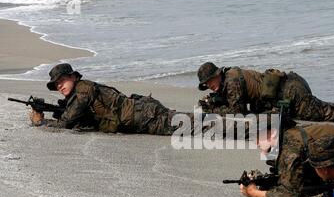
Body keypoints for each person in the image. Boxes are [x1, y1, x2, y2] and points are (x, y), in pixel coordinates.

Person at [30, 63, 211, 136]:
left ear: (74, 77)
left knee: (201, 126)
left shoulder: (82, 91)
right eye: (56, 85)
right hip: (144, 112)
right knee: (196, 124)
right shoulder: (80, 91)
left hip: (146, 118)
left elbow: (66, 124)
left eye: (62, 81)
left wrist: (41, 122)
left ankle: (238, 128)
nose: (60, 86)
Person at [196, 62, 334, 122]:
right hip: (290, 87)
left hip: (291, 93)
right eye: (206, 85)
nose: (210, 86)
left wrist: (213, 108)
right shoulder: (230, 75)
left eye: (211, 81)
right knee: (330, 108)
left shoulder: (232, 82)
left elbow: (237, 112)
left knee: (331, 114)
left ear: (218, 74)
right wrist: (216, 100)